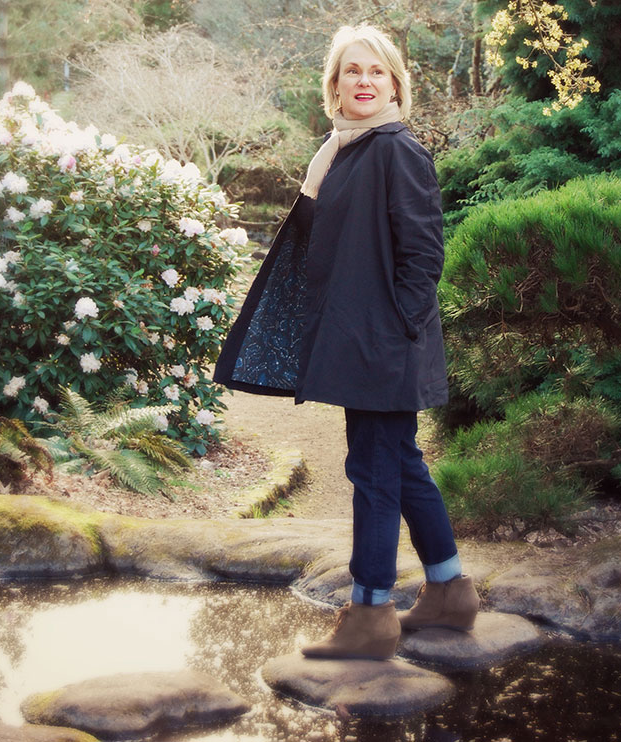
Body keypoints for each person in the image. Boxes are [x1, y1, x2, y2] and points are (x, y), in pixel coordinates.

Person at [213, 24, 479, 660]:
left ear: (394, 83)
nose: (364, 82)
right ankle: (448, 592)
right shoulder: (340, 152)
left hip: (384, 344)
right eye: (351, 72)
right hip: (364, 341)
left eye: (376, 72)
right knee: (400, 464)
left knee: (374, 471)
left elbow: (424, 252)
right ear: (334, 85)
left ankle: (369, 614)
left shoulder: (395, 150)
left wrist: (399, 331)